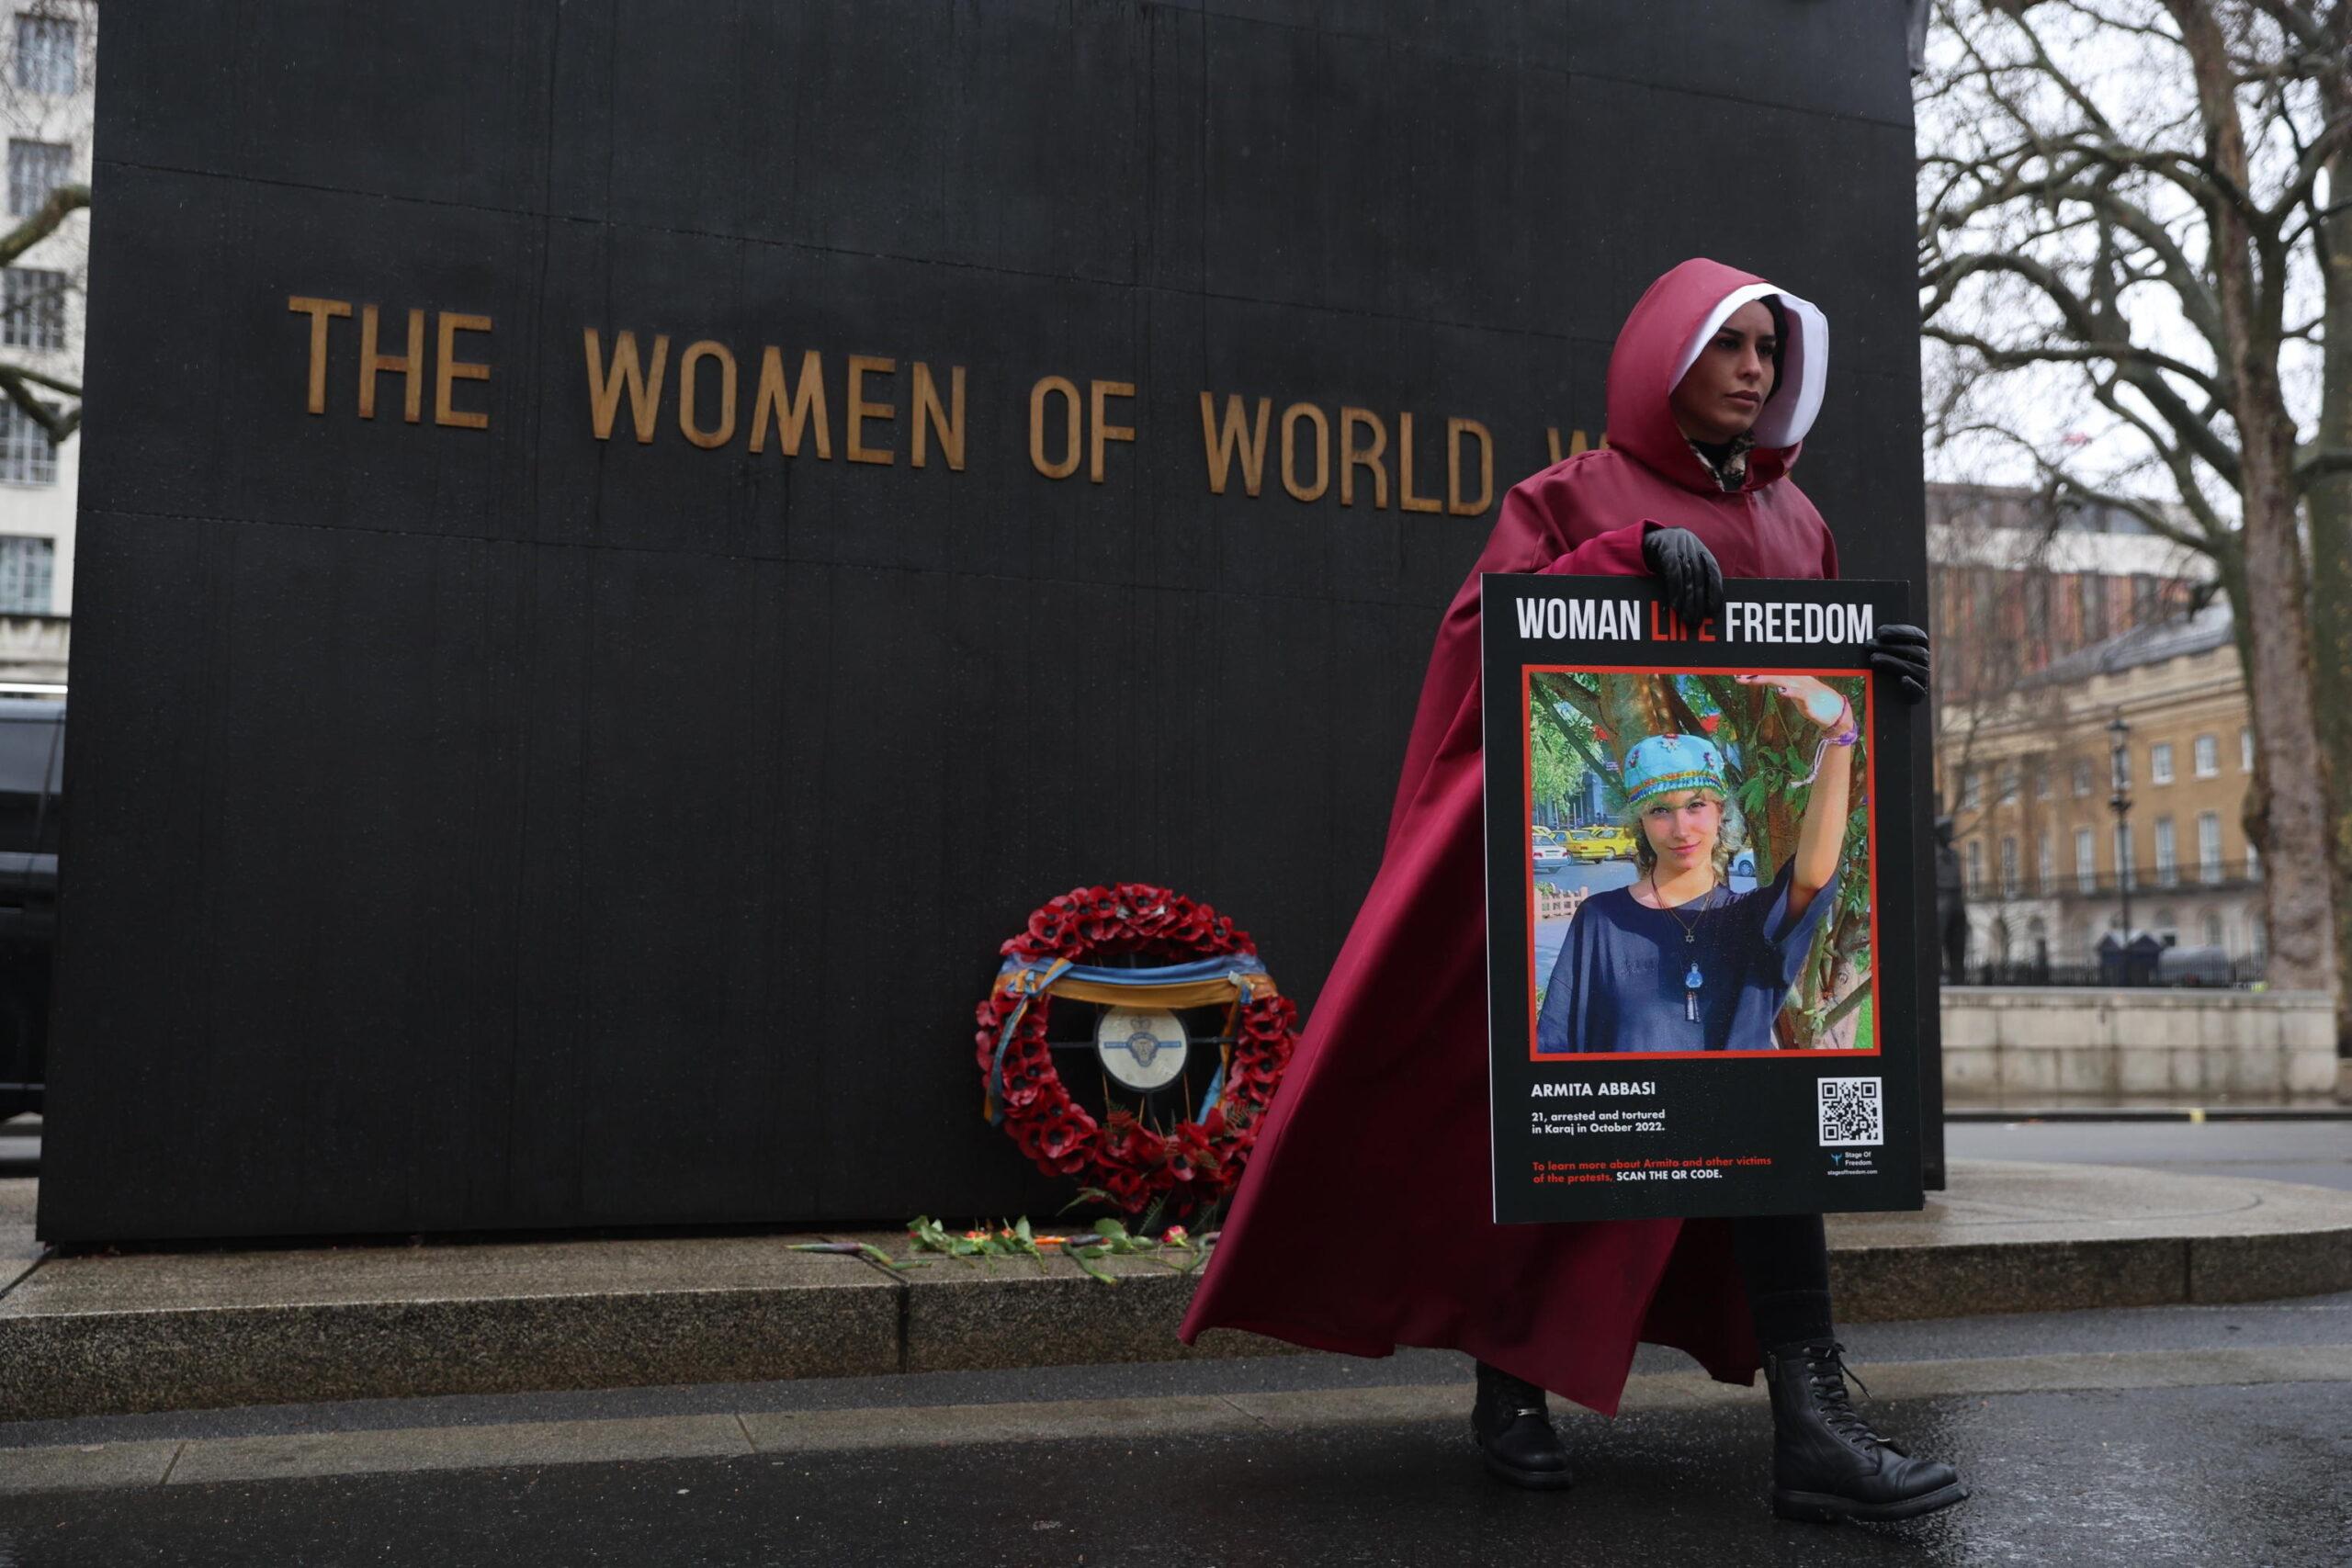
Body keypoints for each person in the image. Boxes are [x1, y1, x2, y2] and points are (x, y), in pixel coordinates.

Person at [1177, 258, 1960, 1524]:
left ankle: (1816, 1424)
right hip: (1616, 908)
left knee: (1776, 1128)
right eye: (1730, 346)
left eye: (1771, 348)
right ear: (1666, 355)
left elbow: (1805, 696)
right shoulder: (1569, 495)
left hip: (1740, 907)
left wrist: (1868, 675)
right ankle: (1512, 1375)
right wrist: (1616, 556)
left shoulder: (1799, 525)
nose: (1756, 369)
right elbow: (1485, 646)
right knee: (1571, 1120)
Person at [1536, 682, 1854, 1055]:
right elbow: (1555, 1048)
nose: (1681, 829)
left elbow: (1814, 877)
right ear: (1640, 823)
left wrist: (1839, 734)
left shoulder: (1753, 919)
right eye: (1660, 811)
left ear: (1721, 812)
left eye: (1696, 805)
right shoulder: (1601, 921)